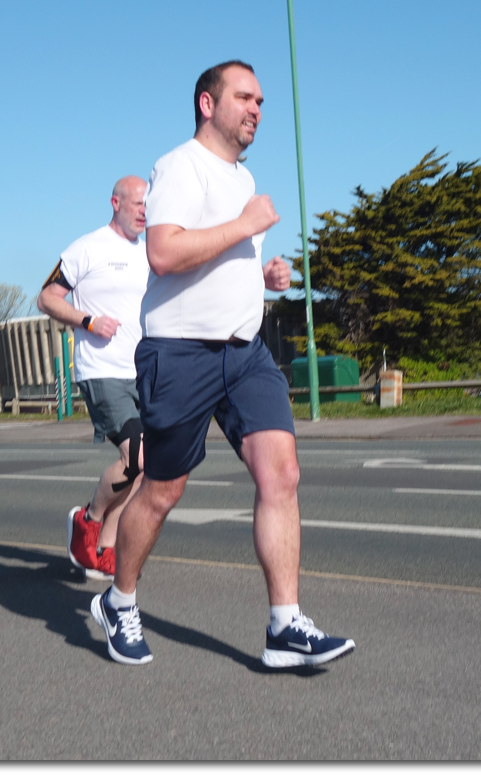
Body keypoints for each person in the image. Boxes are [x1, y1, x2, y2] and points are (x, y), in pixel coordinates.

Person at [90, 61, 356, 669]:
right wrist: (244, 226)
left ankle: (284, 626)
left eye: (261, 100)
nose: (257, 108)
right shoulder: (180, 165)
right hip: (182, 352)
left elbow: (216, 257)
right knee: (161, 491)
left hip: (245, 352)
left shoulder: (243, 178)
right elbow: (163, 252)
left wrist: (261, 273)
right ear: (208, 104)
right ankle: (120, 600)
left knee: (281, 475)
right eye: (244, 97)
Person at [37, 176, 149, 581]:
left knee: (145, 467)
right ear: (115, 202)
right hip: (103, 370)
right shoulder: (87, 248)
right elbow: (46, 297)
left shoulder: (151, 253)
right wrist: (88, 320)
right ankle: (89, 519)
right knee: (135, 456)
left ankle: (105, 548)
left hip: (145, 371)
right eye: (136, 203)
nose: (143, 211)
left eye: (147, 206)